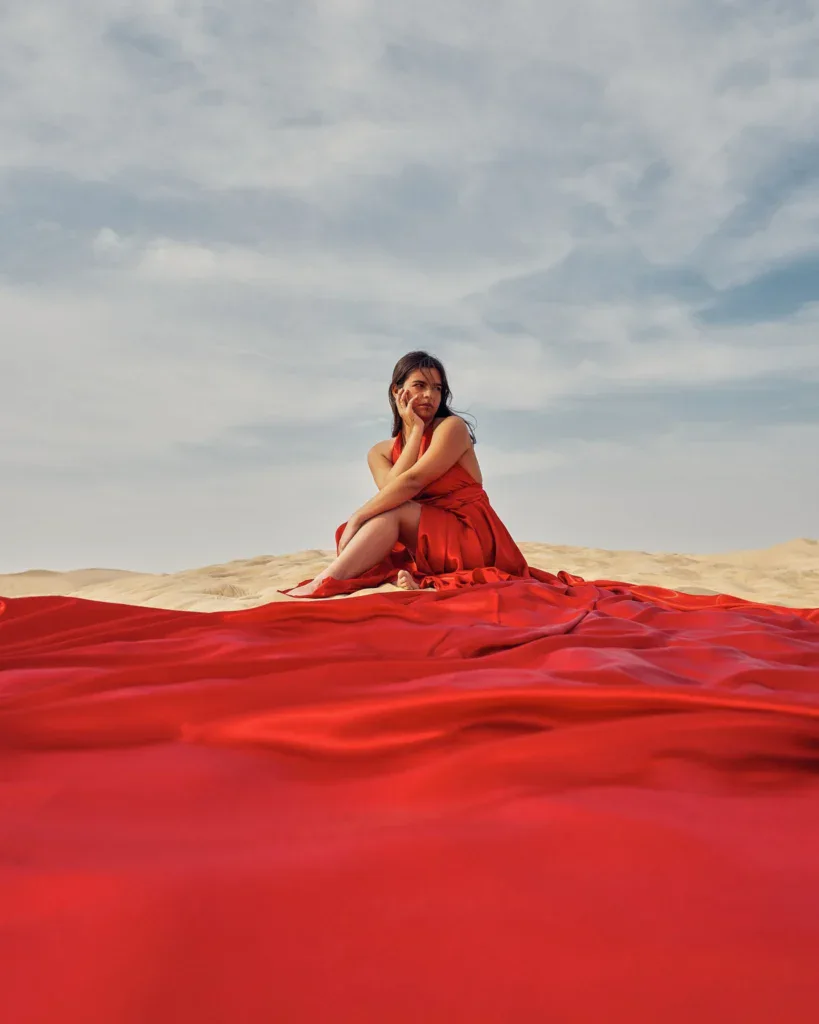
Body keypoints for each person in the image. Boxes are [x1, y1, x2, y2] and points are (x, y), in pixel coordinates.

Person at [285, 350, 542, 598]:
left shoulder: (452, 428)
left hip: (471, 535)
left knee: (380, 517)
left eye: (437, 389)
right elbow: (391, 490)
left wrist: (357, 516)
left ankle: (324, 583)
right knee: (378, 519)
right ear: (397, 391)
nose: (429, 395)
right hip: (427, 536)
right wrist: (414, 433)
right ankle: (395, 576)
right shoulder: (379, 452)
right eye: (420, 385)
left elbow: (412, 482)